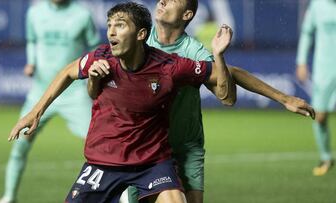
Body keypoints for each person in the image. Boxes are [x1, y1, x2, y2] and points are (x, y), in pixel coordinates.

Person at [8, 2, 239, 202]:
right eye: (109, 25)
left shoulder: (169, 66)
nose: (111, 32)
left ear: (141, 34)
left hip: (152, 164)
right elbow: (68, 71)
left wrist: (218, 55)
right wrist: (35, 112)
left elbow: (226, 89)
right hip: (104, 162)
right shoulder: (101, 58)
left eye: (120, 25)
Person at [95, 0, 316, 203]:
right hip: (142, 149)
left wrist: (284, 98)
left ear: (187, 14)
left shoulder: (195, 52)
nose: (162, 1)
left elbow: (228, 93)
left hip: (185, 147)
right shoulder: (138, 40)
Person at [0, 0, 100, 202]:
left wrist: (93, 73)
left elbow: (95, 46)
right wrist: (31, 62)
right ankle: (9, 196)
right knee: (20, 144)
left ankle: (118, 194)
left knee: (100, 145)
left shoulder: (82, 15)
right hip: (40, 91)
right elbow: (32, 40)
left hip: (74, 93)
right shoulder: (35, 13)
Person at [296, 0, 336, 176]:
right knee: (320, 117)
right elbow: (306, 33)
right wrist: (301, 61)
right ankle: (326, 158)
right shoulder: (317, 5)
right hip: (324, 69)